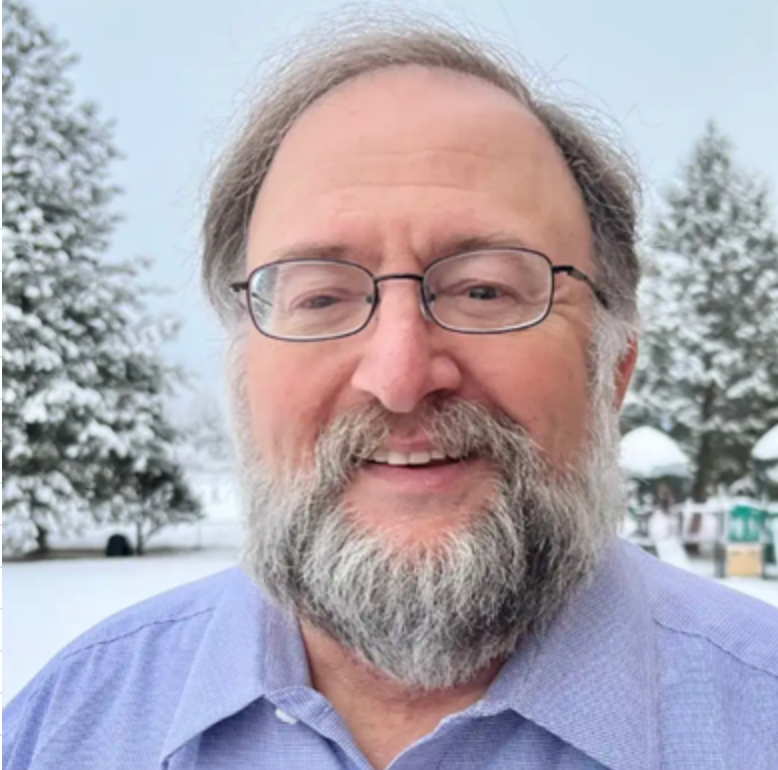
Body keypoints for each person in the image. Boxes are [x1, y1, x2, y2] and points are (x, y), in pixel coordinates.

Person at [5, 12, 778, 770]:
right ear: (243, 379)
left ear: (613, 369)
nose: (401, 377)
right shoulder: (64, 728)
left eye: (484, 290)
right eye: (320, 297)